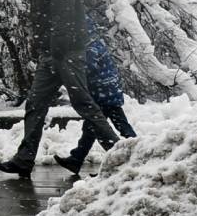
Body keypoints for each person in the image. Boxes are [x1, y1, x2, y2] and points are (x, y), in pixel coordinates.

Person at [0, 0, 120, 180]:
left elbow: (63, 11)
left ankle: (118, 154)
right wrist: (43, 48)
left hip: (66, 52)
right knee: (35, 104)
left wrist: (59, 47)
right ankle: (24, 159)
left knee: (83, 102)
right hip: (50, 54)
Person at [53, 15, 137, 176]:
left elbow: (86, 68)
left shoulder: (90, 48)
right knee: (95, 126)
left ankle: (133, 154)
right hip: (108, 90)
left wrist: (67, 67)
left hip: (103, 93)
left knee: (104, 126)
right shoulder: (94, 43)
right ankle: (76, 159)